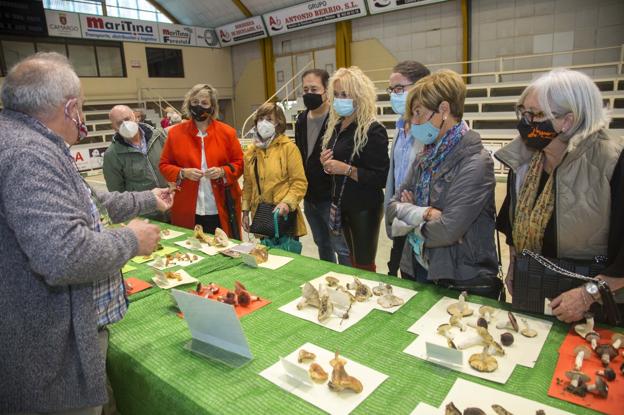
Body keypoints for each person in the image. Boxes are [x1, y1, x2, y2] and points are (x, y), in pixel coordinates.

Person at [0, 52, 173, 413]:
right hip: (47, 366)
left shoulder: (26, 141)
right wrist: (131, 240)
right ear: (71, 107)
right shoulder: (29, 154)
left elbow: (92, 200)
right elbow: (65, 256)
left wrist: (147, 199)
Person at [495, 68, 624, 323]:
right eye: (523, 112)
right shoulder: (523, 159)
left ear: (568, 120)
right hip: (533, 292)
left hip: (594, 309)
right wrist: (514, 264)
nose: (527, 121)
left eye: (537, 114)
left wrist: (587, 295)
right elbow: (513, 222)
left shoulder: (612, 162)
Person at [386, 69, 501, 299]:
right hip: (417, 266)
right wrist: (426, 213)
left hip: (457, 277)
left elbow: (448, 230)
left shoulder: (476, 162)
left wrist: (409, 216)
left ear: (444, 110)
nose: (414, 122)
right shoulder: (424, 157)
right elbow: (390, 211)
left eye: (418, 113)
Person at [320, 66, 390, 272]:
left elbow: (381, 177)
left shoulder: (372, 129)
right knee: (351, 260)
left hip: (364, 208)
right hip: (342, 205)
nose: (340, 99)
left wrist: (347, 169)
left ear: (359, 96)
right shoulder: (337, 125)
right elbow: (336, 162)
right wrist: (327, 164)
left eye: (345, 95)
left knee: (364, 263)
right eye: (337, 94)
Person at [159, 84, 244, 237]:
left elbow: (239, 163)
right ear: (189, 104)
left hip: (221, 205)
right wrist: (182, 173)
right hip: (188, 207)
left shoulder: (228, 133)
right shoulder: (175, 134)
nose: (199, 107)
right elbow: (164, 165)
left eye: (204, 103)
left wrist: (222, 171)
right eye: (195, 102)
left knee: (224, 250)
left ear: (212, 107)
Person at [294, 69, 351, 265]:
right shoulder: (301, 120)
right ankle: (329, 277)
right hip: (310, 196)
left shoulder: (338, 119)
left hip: (332, 196)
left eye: (314, 89)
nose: (309, 93)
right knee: (321, 243)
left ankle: (347, 284)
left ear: (326, 91)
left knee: (341, 247)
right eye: (306, 89)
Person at [384, 60, 430, 277]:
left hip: (422, 222)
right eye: (392, 90)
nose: (394, 94)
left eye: (399, 88)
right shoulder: (399, 128)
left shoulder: (430, 132)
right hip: (400, 217)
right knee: (403, 277)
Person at [242, 102, 308, 240]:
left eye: (269, 119)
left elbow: (299, 182)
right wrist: (245, 211)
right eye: (260, 119)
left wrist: (287, 203)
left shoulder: (289, 148)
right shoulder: (251, 152)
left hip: (283, 216)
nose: (263, 123)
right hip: (261, 217)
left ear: (279, 122)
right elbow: (248, 185)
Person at [103, 104, 169, 222]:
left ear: (136, 117)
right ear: (113, 127)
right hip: (146, 217)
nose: (125, 125)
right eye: (119, 123)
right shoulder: (112, 154)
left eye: (127, 119)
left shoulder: (160, 137)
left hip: (173, 208)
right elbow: (117, 194)